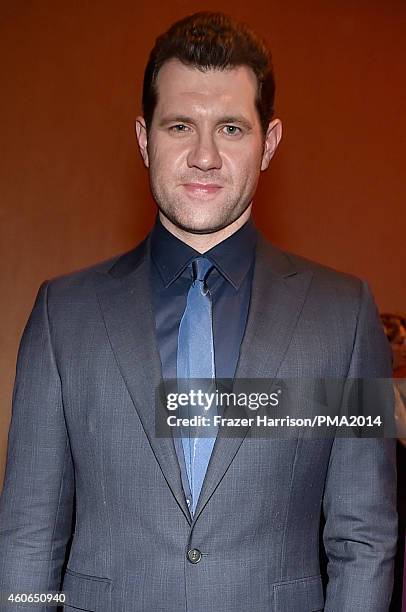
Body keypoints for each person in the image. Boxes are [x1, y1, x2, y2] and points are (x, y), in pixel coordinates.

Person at [0, 12, 397, 612]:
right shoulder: (64, 316)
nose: (205, 155)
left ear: (269, 143)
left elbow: (363, 539)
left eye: (232, 128)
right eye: (181, 125)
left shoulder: (343, 317)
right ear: (144, 139)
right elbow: (30, 539)